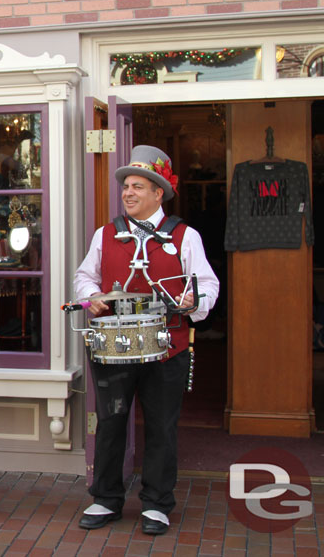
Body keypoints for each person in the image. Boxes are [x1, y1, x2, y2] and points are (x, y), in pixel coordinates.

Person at [74, 145, 219, 536]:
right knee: (110, 423)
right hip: (113, 347)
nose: (128, 193)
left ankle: (156, 503)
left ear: (159, 193)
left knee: (160, 425)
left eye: (138, 186)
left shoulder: (185, 236)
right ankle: (105, 498)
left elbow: (207, 283)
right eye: (126, 186)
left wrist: (194, 301)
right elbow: (84, 277)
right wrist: (92, 298)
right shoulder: (105, 234)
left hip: (166, 348)